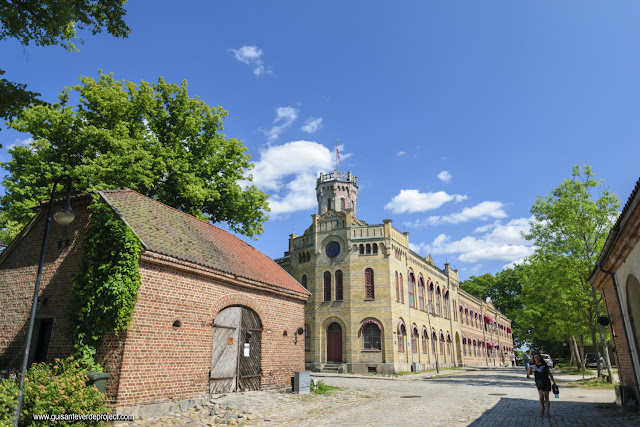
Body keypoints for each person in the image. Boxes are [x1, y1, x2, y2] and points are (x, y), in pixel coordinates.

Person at [528, 351, 557, 418]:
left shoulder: (544, 364)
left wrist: (554, 382)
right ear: (533, 358)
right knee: (541, 395)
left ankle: (547, 412)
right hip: (538, 381)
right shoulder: (533, 365)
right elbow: (529, 374)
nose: (536, 358)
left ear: (540, 357)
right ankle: (542, 407)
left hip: (546, 380)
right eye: (535, 357)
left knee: (546, 396)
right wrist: (529, 369)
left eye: (537, 357)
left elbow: (549, 373)